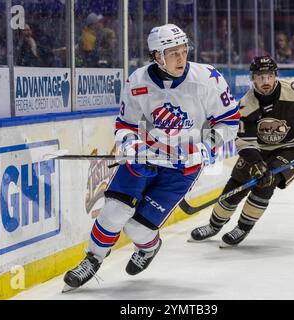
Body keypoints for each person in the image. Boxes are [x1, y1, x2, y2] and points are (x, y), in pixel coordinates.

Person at [62, 23, 239, 291]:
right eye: (173, 53)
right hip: (144, 159)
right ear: (157, 56)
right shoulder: (137, 82)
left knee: (136, 228)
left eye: (183, 51)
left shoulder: (208, 79)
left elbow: (229, 121)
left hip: (183, 167)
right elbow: (125, 125)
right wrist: (131, 146)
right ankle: (93, 259)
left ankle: (149, 246)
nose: (181, 58)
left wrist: (205, 149)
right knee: (114, 211)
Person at [190, 55, 294, 247]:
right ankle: (214, 225)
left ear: (275, 75)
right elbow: (244, 142)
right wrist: (257, 163)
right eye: (260, 77)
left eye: (269, 76)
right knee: (235, 185)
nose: (265, 81)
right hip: (260, 149)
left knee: (268, 182)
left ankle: (243, 227)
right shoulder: (246, 105)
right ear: (252, 78)